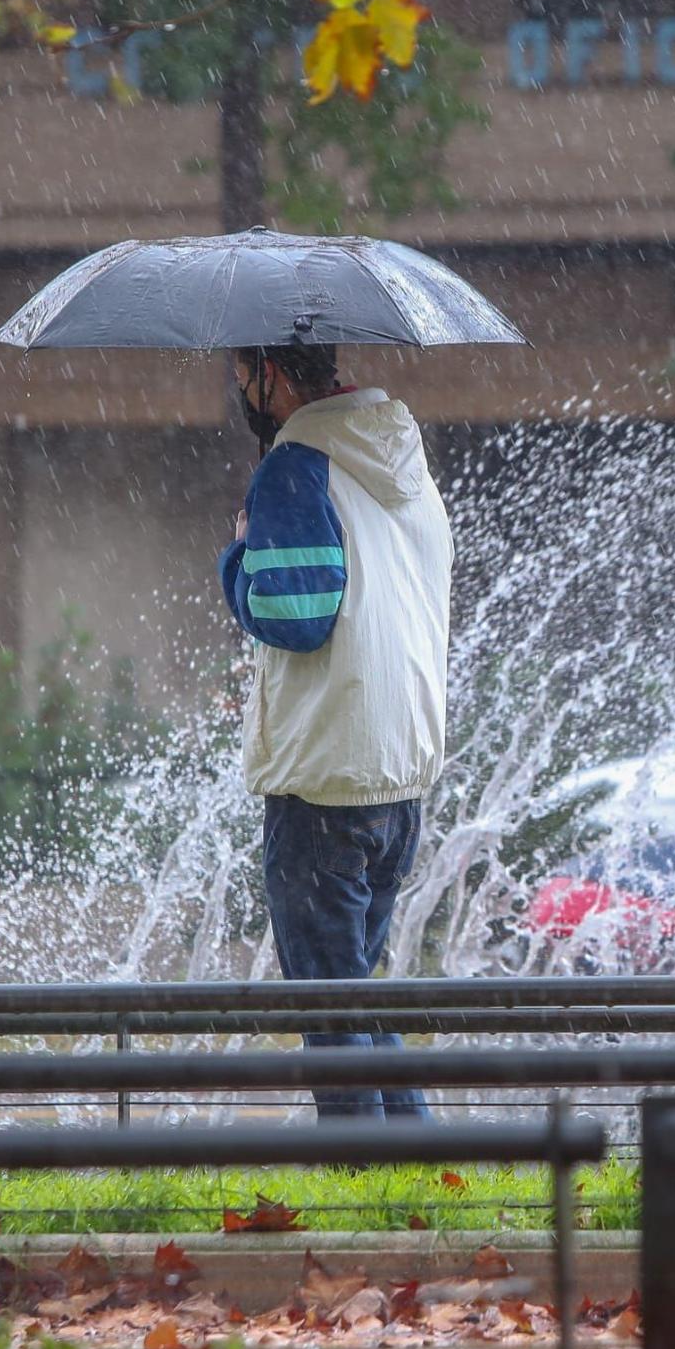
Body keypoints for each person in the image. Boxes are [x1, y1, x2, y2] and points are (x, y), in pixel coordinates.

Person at [217, 342, 451, 1120]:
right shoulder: (402, 462)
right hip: (397, 777)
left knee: (331, 1005)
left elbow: (296, 614)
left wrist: (241, 552)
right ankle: (414, 1168)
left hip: (323, 780)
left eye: (242, 373)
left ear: (272, 377)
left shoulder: (295, 465)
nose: (239, 388)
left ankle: (360, 1169)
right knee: (354, 992)